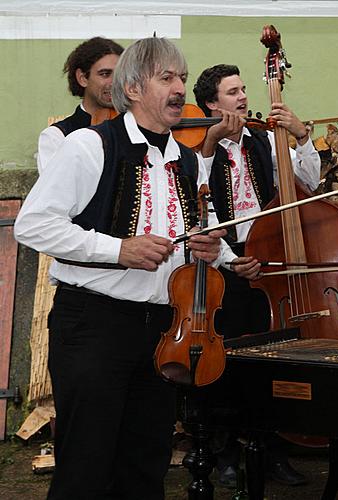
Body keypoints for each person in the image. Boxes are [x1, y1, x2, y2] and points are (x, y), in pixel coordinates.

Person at [14, 37, 236, 500]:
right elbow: (32, 226)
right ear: (133, 88)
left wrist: (211, 247)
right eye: (166, 78)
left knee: (145, 465)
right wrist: (118, 250)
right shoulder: (89, 146)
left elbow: (208, 231)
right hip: (94, 325)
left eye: (181, 78)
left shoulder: (189, 160)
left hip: (163, 329)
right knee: (86, 466)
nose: (180, 89)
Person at [192, 63, 321, 487]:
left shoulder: (266, 140)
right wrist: (230, 260)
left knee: (274, 359)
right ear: (211, 104)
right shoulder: (196, 152)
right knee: (227, 359)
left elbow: (306, 183)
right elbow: (200, 211)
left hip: (271, 258)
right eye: (233, 93)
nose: (244, 97)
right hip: (225, 263)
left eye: (244, 89)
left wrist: (301, 137)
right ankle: (226, 454)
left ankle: (272, 452)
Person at [37, 36, 124, 173]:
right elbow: (59, 191)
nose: (115, 82)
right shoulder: (56, 136)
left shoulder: (133, 126)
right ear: (82, 78)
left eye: (120, 74)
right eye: (105, 74)